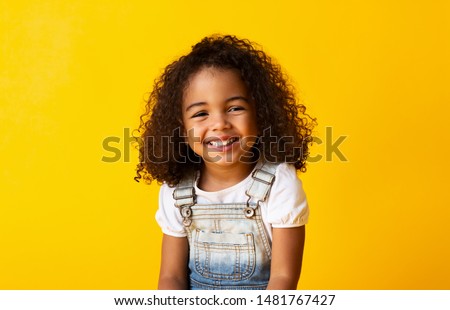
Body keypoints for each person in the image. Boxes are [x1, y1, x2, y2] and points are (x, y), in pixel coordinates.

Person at [136, 34, 316, 290]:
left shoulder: (279, 185)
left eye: (235, 108)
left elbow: (283, 279)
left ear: (261, 112)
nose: (220, 124)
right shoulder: (177, 190)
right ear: (181, 126)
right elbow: (171, 278)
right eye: (200, 114)